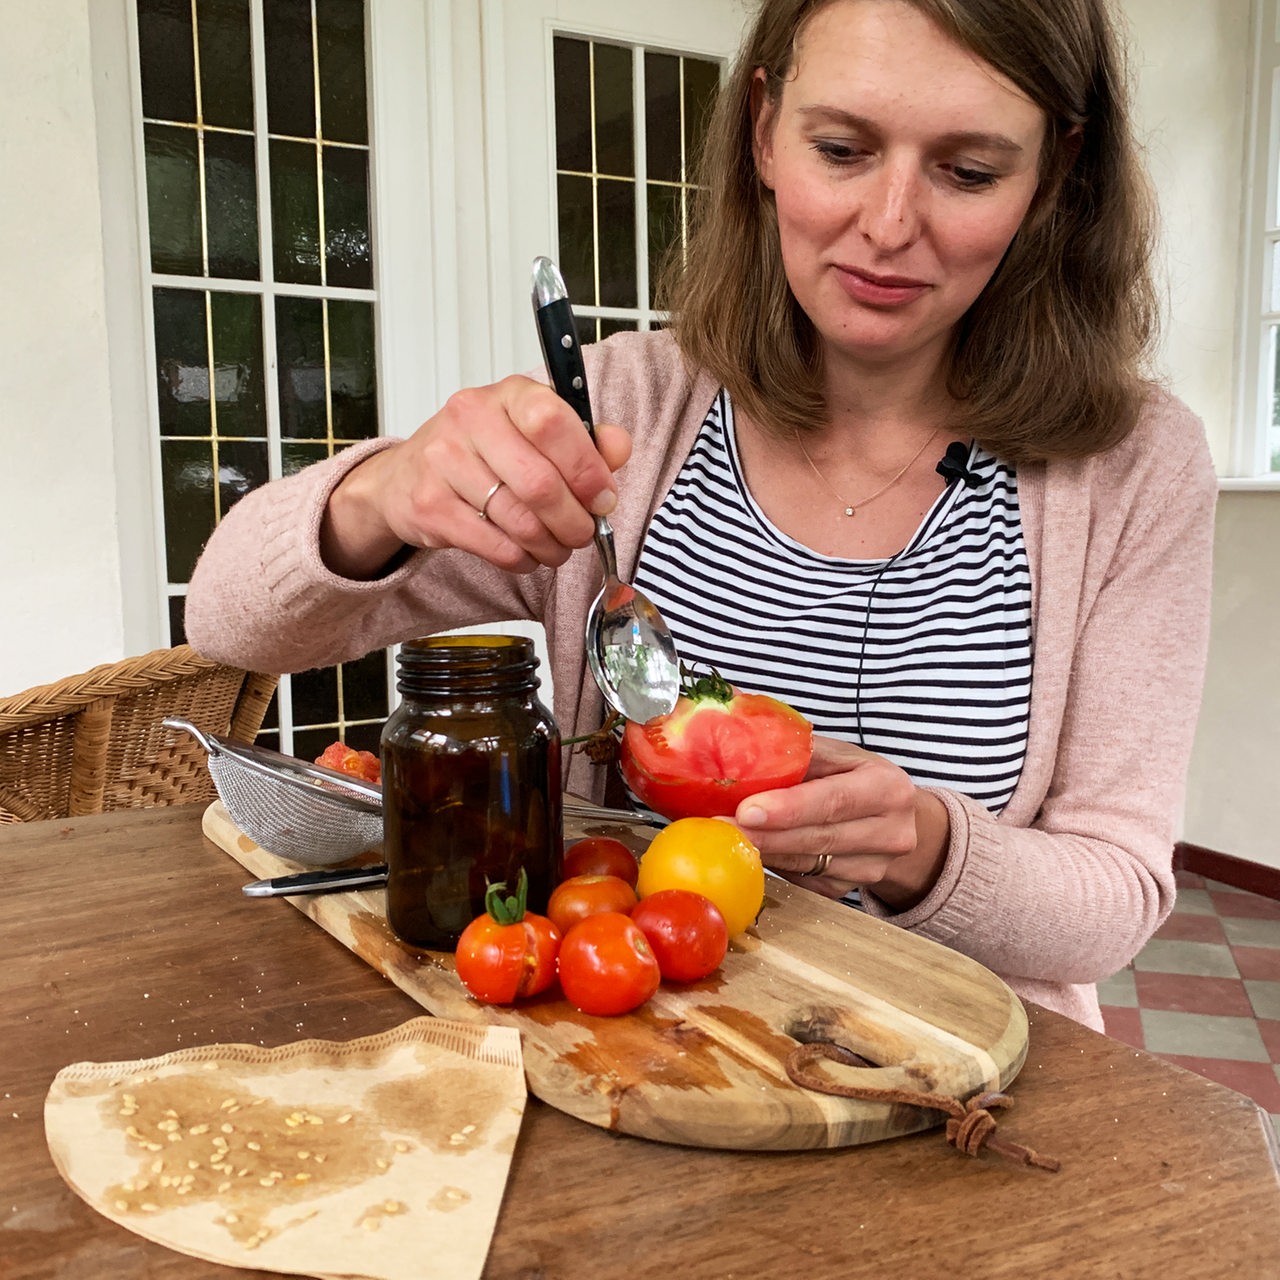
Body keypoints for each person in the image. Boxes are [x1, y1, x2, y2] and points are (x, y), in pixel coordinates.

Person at [186, 0, 1216, 1031]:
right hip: (641, 1061)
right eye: (842, 147)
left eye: (969, 171)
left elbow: (1112, 902)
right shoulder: (620, 416)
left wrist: (926, 848)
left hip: (969, 1082)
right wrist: (382, 494)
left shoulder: (1128, 465)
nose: (891, 223)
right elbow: (231, 623)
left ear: (1055, 175)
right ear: (763, 131)